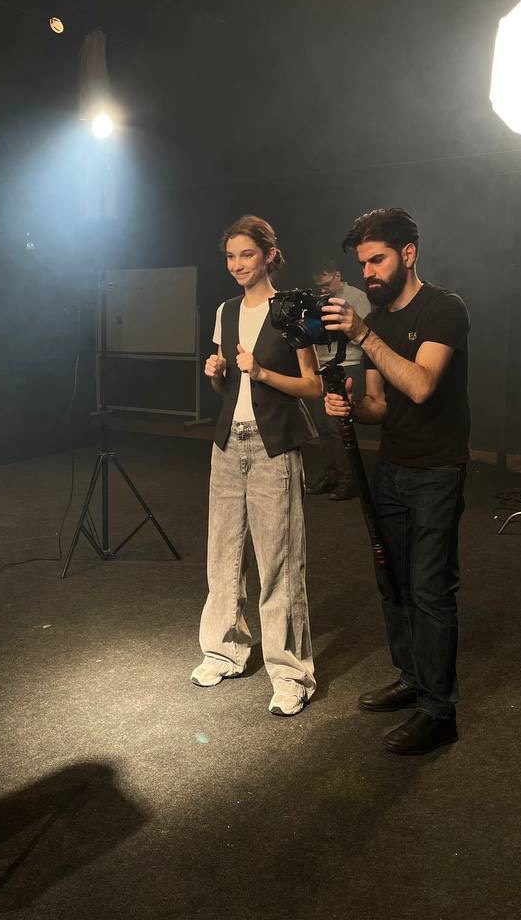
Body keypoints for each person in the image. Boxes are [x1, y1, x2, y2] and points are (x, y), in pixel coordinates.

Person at [322, 208, 470, 755]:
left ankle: (439, 710)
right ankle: (412, 677)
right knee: (394, 583)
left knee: (430, 589)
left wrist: (362, 333)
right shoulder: (380, 321)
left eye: (377, 260)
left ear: (409, 253)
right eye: (363, 264)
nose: (368, 273)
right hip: (392, 468)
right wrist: (351, 406)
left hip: (436, 471)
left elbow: (422, 385)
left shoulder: (444, 309)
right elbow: (381, 405)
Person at [193, 215, 322, 717]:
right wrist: (217, 372)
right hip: (228, 443)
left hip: (274, 445)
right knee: (223, 554)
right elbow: (226, 389)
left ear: (269, 255)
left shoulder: (290, 308)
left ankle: (291, 675)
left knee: (279, 562)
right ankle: (224, 651)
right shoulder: (225, 311)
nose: (237, 264)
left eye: (246, 254)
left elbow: (313, 386)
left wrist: (263, 371)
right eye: (230, 256)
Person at [304, 258, 372, 501]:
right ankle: (331, 474)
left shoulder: (356, 297)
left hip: (347, 365)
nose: (322, 288)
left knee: (337, 427)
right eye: (318, 284)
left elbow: (364, 334)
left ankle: (348, 479)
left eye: (326, 283)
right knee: (322, 427)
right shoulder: (315, 299)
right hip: (320, 366)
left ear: (337, 276)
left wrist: (337, 323)